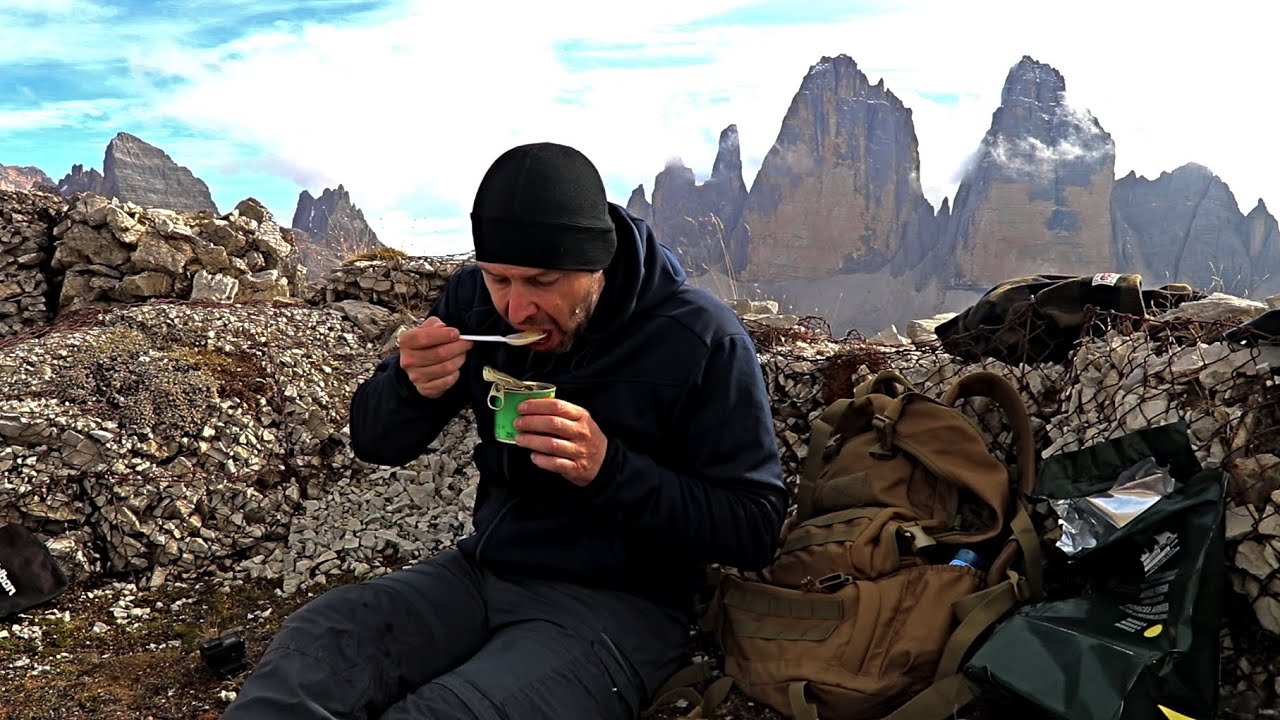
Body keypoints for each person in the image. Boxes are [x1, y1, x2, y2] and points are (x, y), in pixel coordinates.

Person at [220, 142, 788, 719]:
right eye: (499, 279)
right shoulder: (474, 303)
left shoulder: (698, 338)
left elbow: (753, 526)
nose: (516, 309)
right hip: (483, 571)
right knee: (317, 641)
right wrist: (410, 387)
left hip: (620, 608)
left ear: (597, 264)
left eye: (542, 281)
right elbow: (376, 443)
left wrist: (609, 468)